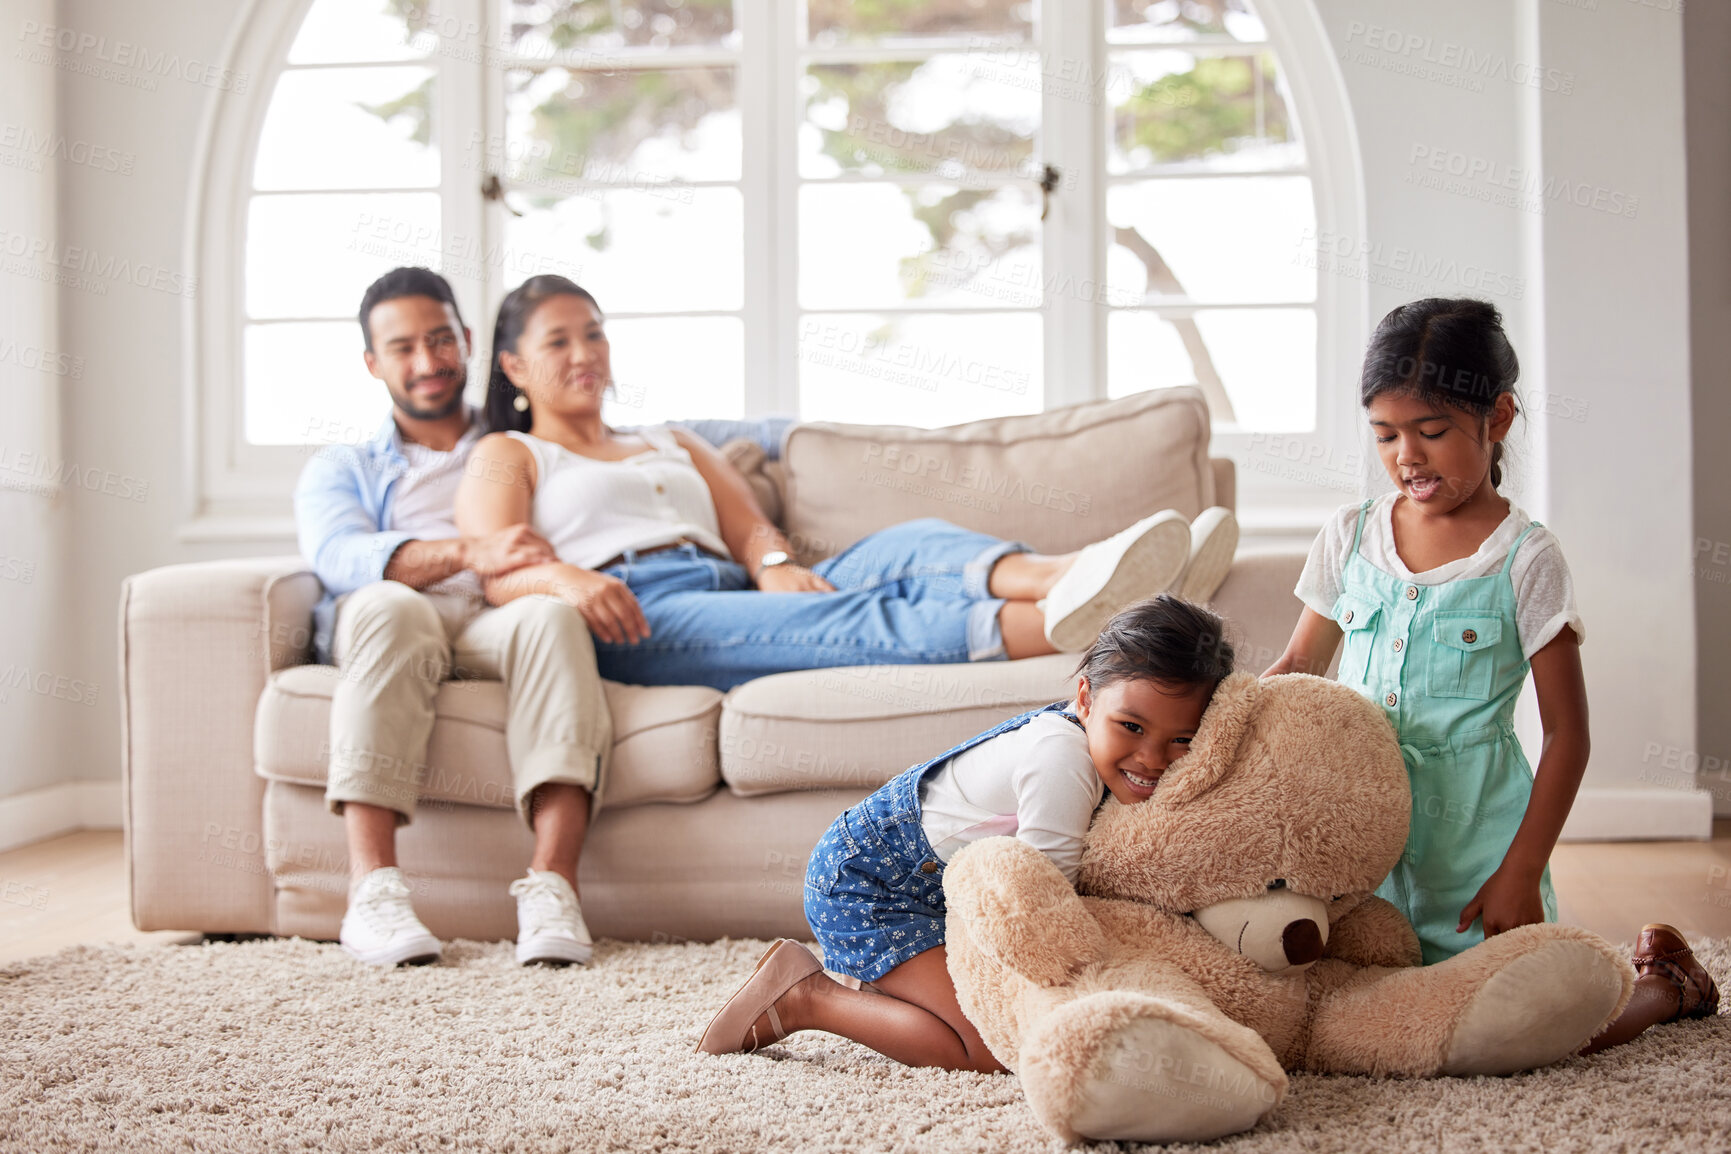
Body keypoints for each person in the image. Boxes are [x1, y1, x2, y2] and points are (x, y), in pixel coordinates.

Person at [1263, 297, 1716, 1047]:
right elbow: (1298, 670)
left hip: (1476, 855)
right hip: (1362, 843)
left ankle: (1662, 989)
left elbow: (1567, 734)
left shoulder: (1525, 559)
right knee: (1334, 1007)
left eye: (1431, 432)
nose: (1406, 456)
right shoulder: (1348, 537)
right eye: (1385, 435)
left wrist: (1520, 869)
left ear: (1497, 418)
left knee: (1513, 1031)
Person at [453, 274, 1241, 692]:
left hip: (732, 587)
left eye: (593, 332)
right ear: (515, 367)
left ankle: (1085, 572)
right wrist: (561, 579)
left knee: (909, 544)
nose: (584, 351)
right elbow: (494, 566)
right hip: (638, 613)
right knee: (869, 616)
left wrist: (772, 565)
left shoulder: (673, 439)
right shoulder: (508, 453)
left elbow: (744, 529)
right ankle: (1139, 615)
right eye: (557, 340)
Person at [692, 596, 1233, 1068]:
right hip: (869, 886)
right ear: (1087, 699)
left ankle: (886, 986)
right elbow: (1042, 900)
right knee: (992, 1044)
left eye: (1182, 739)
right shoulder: (1061, 759)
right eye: (1131, 727)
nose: (1152, 758)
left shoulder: (1092, 739)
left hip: (920, 887)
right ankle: (806, 997)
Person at [295, 267, 608, 969]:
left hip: (498, 617)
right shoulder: (344, 466)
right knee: (387, 604)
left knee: (551, 617)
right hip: (401, 620)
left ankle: (552, 886)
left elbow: (668, 434)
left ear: (467, 341)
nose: (428, 362)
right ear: (373, 363)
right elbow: (340, 556)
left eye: (440, 340)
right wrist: (471, 548)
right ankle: (373, 892)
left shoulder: (524, 436)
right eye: (403, 348)